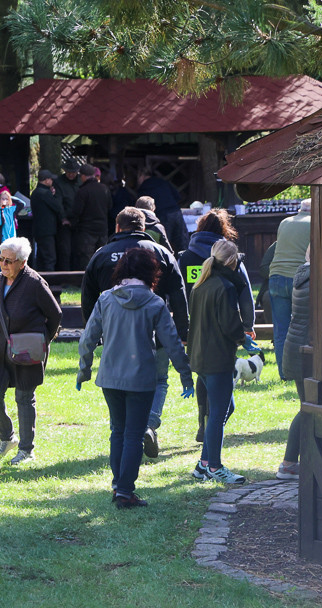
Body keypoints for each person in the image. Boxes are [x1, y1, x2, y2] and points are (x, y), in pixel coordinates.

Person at [77, 248, 193, 507]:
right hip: (141, 378)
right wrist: (186, 375)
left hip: (110, 377)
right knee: (133, 434)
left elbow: (88, 338)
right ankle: (124, 492)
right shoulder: (155, 303)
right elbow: (173, 343)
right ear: (151, 273)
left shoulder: (106, 299)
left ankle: (119, 486)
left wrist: (84, 370)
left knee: (118, 431)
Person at [81, 208, 188, 458]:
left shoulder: (101, 255)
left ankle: (121, 434)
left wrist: (93, 330)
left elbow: (88, 295)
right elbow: (179, 292)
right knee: (159, 379)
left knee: (117, 385)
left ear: (118, 227)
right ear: (144, 227)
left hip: (114, 332)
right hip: (155, 330)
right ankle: (148, 424)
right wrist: (183, 329)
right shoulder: (162, 253)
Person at [178, 209, 258, 442]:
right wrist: (248, 325)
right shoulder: (232, 258)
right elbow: (246, 294)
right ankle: (213, 429)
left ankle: (204, 420)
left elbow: (177, 292)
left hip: (194, 326)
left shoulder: (185, 257)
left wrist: (180, 327)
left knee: (203, 375)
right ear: (224, 231)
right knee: (221, 381)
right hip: (224, 327)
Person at [0, 237, 61, 465]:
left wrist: (42, 339)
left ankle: (27, 450)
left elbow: (55, 315)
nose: (3, 264)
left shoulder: (34, 282)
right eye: (1, 259)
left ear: (23, 262)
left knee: (24, 397)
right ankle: (7, 438)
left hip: (27, 349)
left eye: (9, 260)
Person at [187, 240, 249, 485]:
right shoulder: (225, 286)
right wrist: (244, 338)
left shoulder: (201, 284)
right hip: (217, 359)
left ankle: (203, 464)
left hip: (200, 357)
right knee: (218, 413)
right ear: (233, 262)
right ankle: (215, 466)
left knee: (223, 410)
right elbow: (230, 324)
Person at [277, 246, 311, 479]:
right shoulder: (318, 280)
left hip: (297, 348)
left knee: (307, 407)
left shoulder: (303, 275)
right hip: (306, 351)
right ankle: (289, 463)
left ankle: (294, 462)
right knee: (308, 409)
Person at [270, 199, 312, 379]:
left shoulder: (285, 222)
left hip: (276, 277)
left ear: (300, 209)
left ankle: (284, 373)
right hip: (300, 279)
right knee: (303, 329)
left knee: (281, 330)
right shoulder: (315, 223)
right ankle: (303, 371)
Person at [69, 164, 112, 269]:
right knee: (102, 257)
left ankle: (86, 283)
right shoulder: (104, 189)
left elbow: (77, 212)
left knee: (86, 258)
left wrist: (72, 223)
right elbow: (110, 207)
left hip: (87, 231)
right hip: (102, 229)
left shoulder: (82, 191)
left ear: (83, 176)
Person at [137, 167, 188, 250]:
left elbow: (144, 207)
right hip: (176, 211)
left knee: (165, 244)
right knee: (182, 242)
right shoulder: (163, 182)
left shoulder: (144, 188)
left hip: (163, 215)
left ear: (141, 176)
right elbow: (178, 196)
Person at [30, 169, 65, 272]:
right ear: (46, 180)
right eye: (51, 179)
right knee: (50, 258)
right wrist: (55, 196)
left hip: (39, 230)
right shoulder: (45, 193)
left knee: (41, 257)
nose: (52, 181)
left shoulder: (36, 192)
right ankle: (51, 280)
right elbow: (57, 206)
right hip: (47, 230)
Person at [54, 160, 81, 271]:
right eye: (69, 172)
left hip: (79, 221)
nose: (71, 174)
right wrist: (63, 218)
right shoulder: (59, 182)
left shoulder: (81, 181)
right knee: (65, 250)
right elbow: (58, 202)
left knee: (79, 249)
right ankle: (65, 275)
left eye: (73, 172)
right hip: (65, 222)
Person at [0, 190, 17, 258]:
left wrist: (11, 197)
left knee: (10, 266)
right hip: (0, 244)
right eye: (3, 199)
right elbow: (0, 222)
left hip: (11, 243)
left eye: (6, 199)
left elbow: (22, 204)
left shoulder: (11, 210)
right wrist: (1, 208)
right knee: (1, 266)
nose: (4, 200)